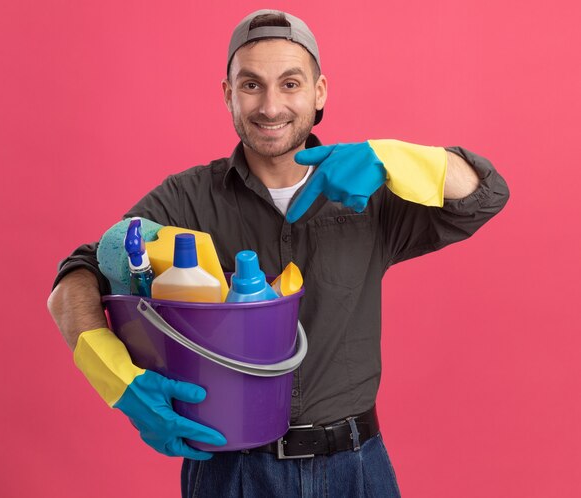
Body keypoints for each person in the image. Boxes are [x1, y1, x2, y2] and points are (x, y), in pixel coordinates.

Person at [47, 9, 509, 498]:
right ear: (228, 94)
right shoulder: (186, 200)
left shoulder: (372, 192)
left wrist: (393, 157)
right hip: (233, 473)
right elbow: (76, 280)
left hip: (357, 469)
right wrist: (117, 379)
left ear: (320, 92)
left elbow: (485, 193)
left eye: (290, 84)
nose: (270, 107)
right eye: (251, 85)